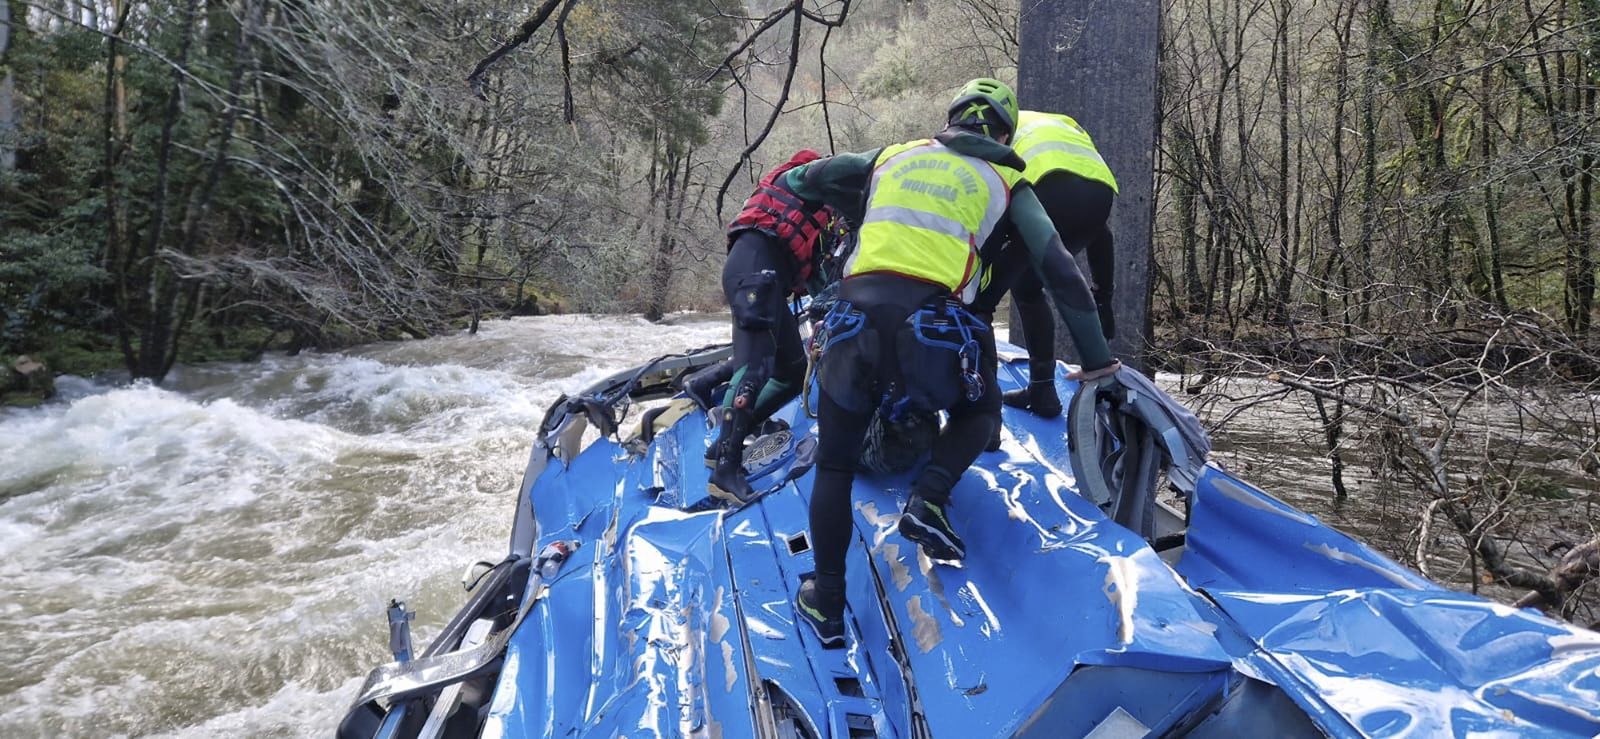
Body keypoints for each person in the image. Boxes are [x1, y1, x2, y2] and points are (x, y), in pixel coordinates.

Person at [777, 79, 1122, 647]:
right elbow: (1061, 271)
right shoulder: (1008, 179)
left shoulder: (892, 157)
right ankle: (930, 497)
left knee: (835, 465)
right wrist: (1100, 364)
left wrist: (846, 202)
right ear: (1006, 136)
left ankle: (828, 603)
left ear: (950, 119)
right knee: (980, 414)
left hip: (851, 323)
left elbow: (804, 179)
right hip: (931, 328)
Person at [970, 109, 1119, 446]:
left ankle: (987, 423)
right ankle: (1042, 393)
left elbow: (989, 210)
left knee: (983, 304)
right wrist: (1104, 297)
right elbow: (1101, 234)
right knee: (1027, 284)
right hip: (1099, 194)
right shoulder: (1061, 123)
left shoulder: (990, 130)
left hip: (1044, 189)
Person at [705, 150, 839, 505]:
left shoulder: (820, 219)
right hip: (753, 269)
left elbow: (820, 288)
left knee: (792, 374)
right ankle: (725, 471)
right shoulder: (802, 178)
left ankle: (723, 446)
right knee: (754, 370)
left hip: (767, 281)